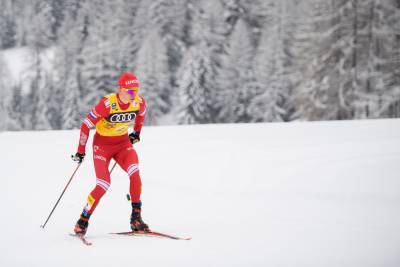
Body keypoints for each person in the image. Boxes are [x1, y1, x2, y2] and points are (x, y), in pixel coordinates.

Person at [71, 72, 149, 235]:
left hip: (122, 144)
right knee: (104, 184)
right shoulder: (107, 104)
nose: (133, 94)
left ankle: (136, 218)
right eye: (129, 91)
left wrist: (136, 133)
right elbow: (86, 125)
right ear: (120, 90)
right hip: (102, 146)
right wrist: (80, 151)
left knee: (135, 173)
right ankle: (83, 220)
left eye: (136, 90)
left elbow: (141, 115)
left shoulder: (139, 102)